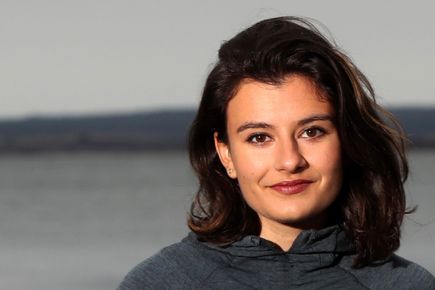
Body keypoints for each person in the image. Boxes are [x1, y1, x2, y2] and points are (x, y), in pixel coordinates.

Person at [118, 16, 435, 289]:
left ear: (347, 141)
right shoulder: (160, 283)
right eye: (259, 137)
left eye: (312, 132)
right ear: (225, 153)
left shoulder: (407, 285)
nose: (290, 161)